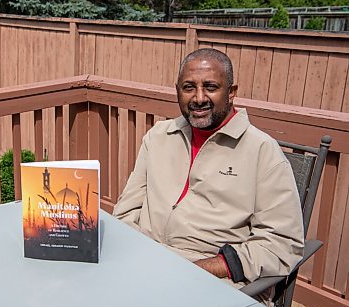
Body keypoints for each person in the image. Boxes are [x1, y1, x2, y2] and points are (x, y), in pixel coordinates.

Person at [113, 48, 304, 290]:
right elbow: (125, 213)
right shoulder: (158, 137)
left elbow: (283, 244)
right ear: (177, 90)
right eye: (189, 87)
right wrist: (140, 258)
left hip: (214, 278)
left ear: (231, 92)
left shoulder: (262, 151)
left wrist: (201, 268)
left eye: (211, 87)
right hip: (145, 265)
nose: (199, 98)